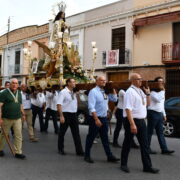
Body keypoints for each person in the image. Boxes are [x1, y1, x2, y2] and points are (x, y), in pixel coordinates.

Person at [120, 73, 159, 173]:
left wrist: (148, 93)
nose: (141, 81)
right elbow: (128, 109)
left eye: (141, 79)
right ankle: (123, 164)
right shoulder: (130, 92)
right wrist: (132, 124)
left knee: (145, 144)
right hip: (132, 121)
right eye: (138, 79)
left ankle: (147, 166)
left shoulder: (140, 91)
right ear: (132, 81)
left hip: (141, 121)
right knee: (127, 143)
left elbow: (148, 104)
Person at [84, 76, 120, 163]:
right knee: (91, 137)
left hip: (104, 118)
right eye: (101, 80)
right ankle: (87, 155)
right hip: (95, 119)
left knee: (105, 138)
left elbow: (115, 99)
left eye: (105, 81)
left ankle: (109, 156)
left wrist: (113, 88)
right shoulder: (93, 92)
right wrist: (96, 119)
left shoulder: (105, 91)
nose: (104, 82)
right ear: (97, 82)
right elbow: (91, 107)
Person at [147, 77, 175, 155]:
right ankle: (147, 148)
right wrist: (163, 90)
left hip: (159, 114)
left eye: (162, 82)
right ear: (155, 83)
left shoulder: (162, 92)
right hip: (152, 112)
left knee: (160, 132)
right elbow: (158, 100)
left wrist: (164, 114)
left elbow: (162, 104)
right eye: (159, 81)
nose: (161, 83)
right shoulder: (152, 92)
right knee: (149, 132)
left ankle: (164, 149)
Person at [0, 78, 26, 159]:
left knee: (18, 135)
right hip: (6, 118)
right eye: (13, 83)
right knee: (3, 135)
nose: (14, 85)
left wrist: (23, 114)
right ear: (10, 84)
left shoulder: (19, 93)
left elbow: (20, 104)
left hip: (17, 118)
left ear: (18, 85)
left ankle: (18, 152)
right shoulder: (4, 93)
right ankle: (0, 149)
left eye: (16, 83)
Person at [57, 78, 84, 156]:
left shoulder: (73, 92)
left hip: (73, 114)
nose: (74, 83)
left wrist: (78, 95)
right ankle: (60, 149)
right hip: (66, 114)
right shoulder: (63, 92)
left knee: (76, 133)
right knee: (62, 133)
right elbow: (59, 104)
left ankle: (79, 151)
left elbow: (77, 103)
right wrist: (61, 116)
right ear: (68, 83)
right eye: (73, 82)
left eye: (74, 82)